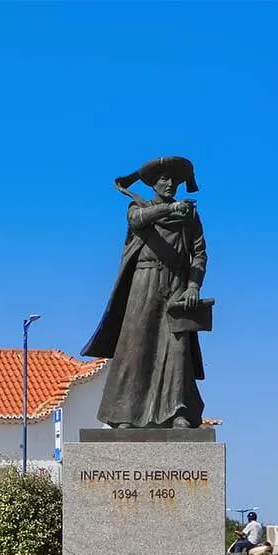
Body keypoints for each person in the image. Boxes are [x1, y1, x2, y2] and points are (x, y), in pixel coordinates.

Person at [83, 156, 208, 429]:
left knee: (177, 351)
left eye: (174, 180)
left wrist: (193, 285)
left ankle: (178, 412)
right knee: (135, 346)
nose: (170, 184)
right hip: (144, 281)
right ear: (153, 184)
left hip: (175, 284)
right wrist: (170, 209)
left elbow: (199, 254)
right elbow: (138, 220)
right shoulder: (138, 208)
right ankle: (124, 413)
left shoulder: (190, 215)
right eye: (164, 179)